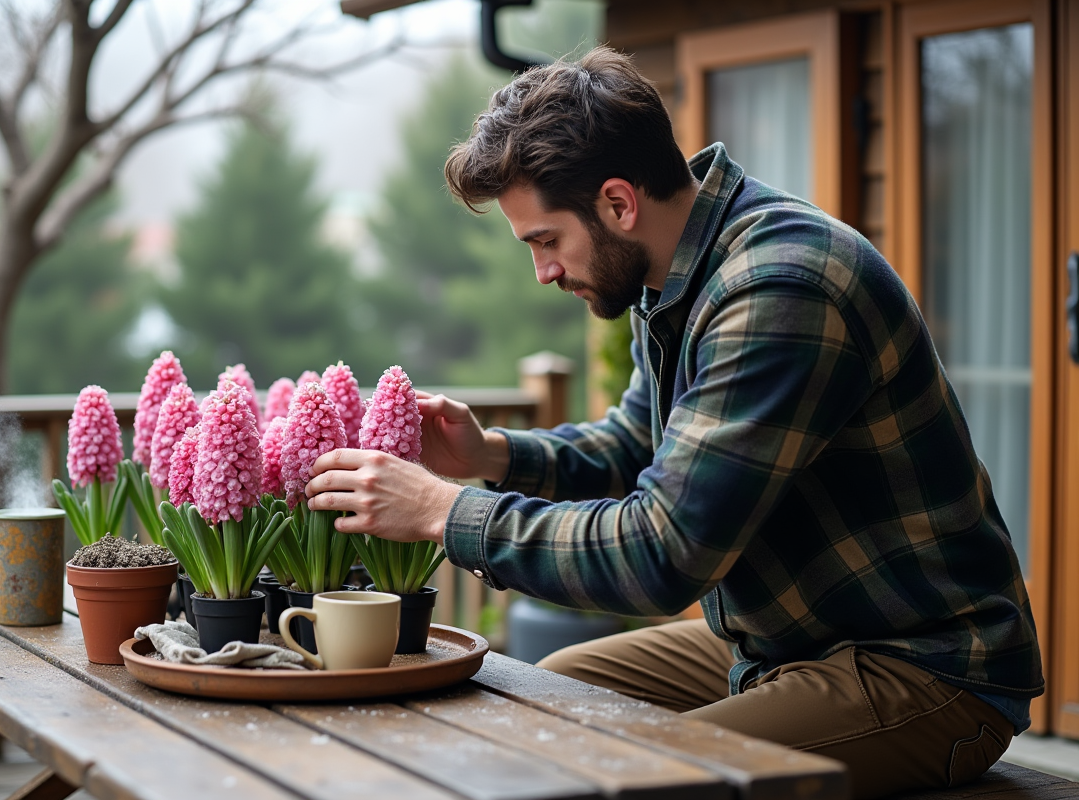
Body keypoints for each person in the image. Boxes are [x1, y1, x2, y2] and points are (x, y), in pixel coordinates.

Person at [305, 46, 1043, 798]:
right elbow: (635, 447)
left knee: (651, 777)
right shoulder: (672, 275)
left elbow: (664, 553)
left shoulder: (781, 287)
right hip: (781, 641)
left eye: (546, 240)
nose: (544, 272)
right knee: (546, 695)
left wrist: (441, 511)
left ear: (619, 203)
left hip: (923, 667)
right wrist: (490, 454)